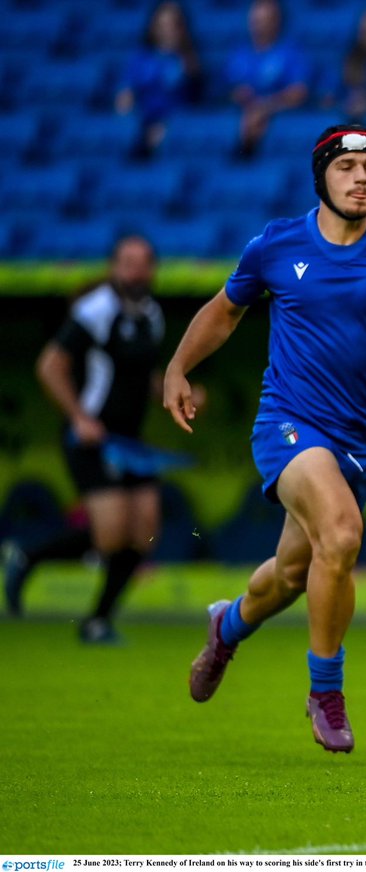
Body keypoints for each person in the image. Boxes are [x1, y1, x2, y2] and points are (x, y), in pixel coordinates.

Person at [163, 123, 366, 754]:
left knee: (292, 574)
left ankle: (227, 627)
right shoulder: (276, 245)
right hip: (289, 423)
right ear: (321, 177)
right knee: (343, 535)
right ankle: (326, 692)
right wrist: (178, 368)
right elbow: (224, 311)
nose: (361, 179)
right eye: (346, 168)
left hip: (359, 441)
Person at [4, 236, 166, 642]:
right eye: (128, 262)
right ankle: (29, 556)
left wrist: (176, 392)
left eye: (143, 262)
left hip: (130, 441)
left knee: (145, 530)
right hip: (92, 438)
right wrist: (79, 417)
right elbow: (50, 365)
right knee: (111, 535)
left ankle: (98, 621)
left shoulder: (152, 315)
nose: (136, 271)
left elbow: (141, 375)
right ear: (114, 267)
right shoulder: (95, 311)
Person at [114, 0, 204, 158]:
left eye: (173, 25)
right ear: (153, 27)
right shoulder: (140, 59)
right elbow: (124, 100)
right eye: (162, 25)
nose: (167, 30)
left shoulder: (189, 60)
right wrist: (134, 129)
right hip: (143, 126)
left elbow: (195, 94)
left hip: (177, 129)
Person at [225, 0, 310, 157]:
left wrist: (265, 107)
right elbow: (228, 90)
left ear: (277, 21)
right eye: (256, 19)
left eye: (265, 19)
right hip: (243, 115)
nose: (258, 25)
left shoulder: (292, 52)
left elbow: (299, 92)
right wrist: (240, 96)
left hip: (278, 115)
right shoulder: (240, 53)